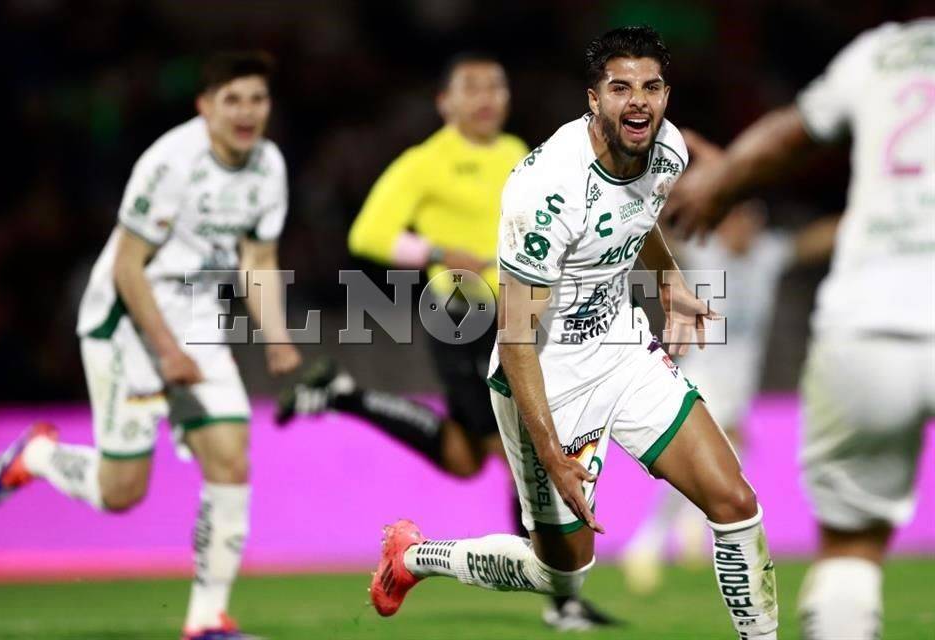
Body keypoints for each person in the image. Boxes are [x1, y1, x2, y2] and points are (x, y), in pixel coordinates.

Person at [368, 26, 779, 639]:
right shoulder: (548, 190)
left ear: (667, 94)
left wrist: (666, 282)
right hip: (544, 375)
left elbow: (635, 219)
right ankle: (413, 557)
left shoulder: (666, 149)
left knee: (736, 503)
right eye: (620, 88)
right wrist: (554, 454)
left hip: (623, 351)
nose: (638, 101)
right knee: (563, 573)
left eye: (652, 87)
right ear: (594, 99)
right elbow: (514, 337)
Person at [277, 52, 615, 630]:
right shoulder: (424, 162)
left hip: (514, 315)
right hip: (458, 314)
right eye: (472, 87)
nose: (486, 97)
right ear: (445, 102)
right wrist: (434, 253)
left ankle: (343, 395)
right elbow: (369, 231)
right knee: (519, 454)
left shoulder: (515, 152)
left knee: (467, 457)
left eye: (496, 85)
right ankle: (562, 599)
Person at [0, 51, 300, 640]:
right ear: (205, 107)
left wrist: (277, 338)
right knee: (121, 492)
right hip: (127, 323)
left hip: (198, 321)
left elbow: (258, 257)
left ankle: (207, 621)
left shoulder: (269, 166)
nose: (246, 112)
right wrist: (165, 351)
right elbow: (129, 267)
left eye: (257, 99)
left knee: (231, 458)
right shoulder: (169, 162)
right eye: (232, 99)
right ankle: (40, 457)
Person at [662, 18, 935, 640]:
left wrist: (720, 178)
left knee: (849, 544)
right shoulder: (708, 256)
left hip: (864, 325)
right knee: (718, 456)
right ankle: (668, 540)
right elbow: (670, 239)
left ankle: (667, 540)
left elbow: (790, 135)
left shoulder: (879, 52)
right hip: (703, 369)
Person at [622, 195, 838, 594]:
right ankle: (647, 543)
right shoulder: (704, 251)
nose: (743, 228)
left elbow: (811, 242)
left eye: (750, 221)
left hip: (741, 381)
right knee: (704, 460)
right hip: (703, 375)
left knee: (732, 455)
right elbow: (661, 240)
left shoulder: (767, 255)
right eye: (735, 219)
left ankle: (685, 523)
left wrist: (860, 217)